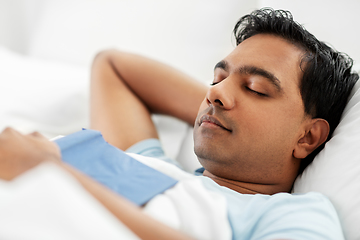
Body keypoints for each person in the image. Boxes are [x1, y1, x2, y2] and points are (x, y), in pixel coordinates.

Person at [0, 8, 358, 239]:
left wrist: (50, 173)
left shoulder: (293, 213)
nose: (214, 93)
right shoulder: (152, 166)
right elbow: (113, 67)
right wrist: (223, 108)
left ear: (308, 136)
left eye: (256, 88)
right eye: (216, 79)